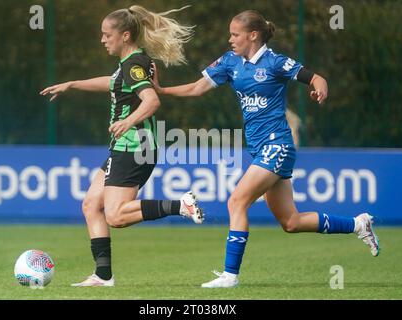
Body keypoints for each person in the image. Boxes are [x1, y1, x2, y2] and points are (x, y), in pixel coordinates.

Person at [152, 10, 380, 288]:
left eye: (235, 34)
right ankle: (358, 224)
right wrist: (162, 91)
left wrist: (320, 87)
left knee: (237, 201)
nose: (230, 39)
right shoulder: (229, 62)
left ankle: (230, 276)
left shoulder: (275, 62)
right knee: (291, 222)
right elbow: (198, 88)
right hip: (260, 149)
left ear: (253, 35)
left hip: (278, 145)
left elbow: (316, 77)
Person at [40, 5, 203, 287]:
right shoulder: (131, 63)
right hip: (127, 147)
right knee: (92, 205)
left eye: (107, 35)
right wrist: (73, 84)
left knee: (115, 215)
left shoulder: (133, 65)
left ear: (125, 35)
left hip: (134, 147)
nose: (102, 40)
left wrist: (128, 122)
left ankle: (180, 205)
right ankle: (103, 276)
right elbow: (114, 83)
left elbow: (151, 101)